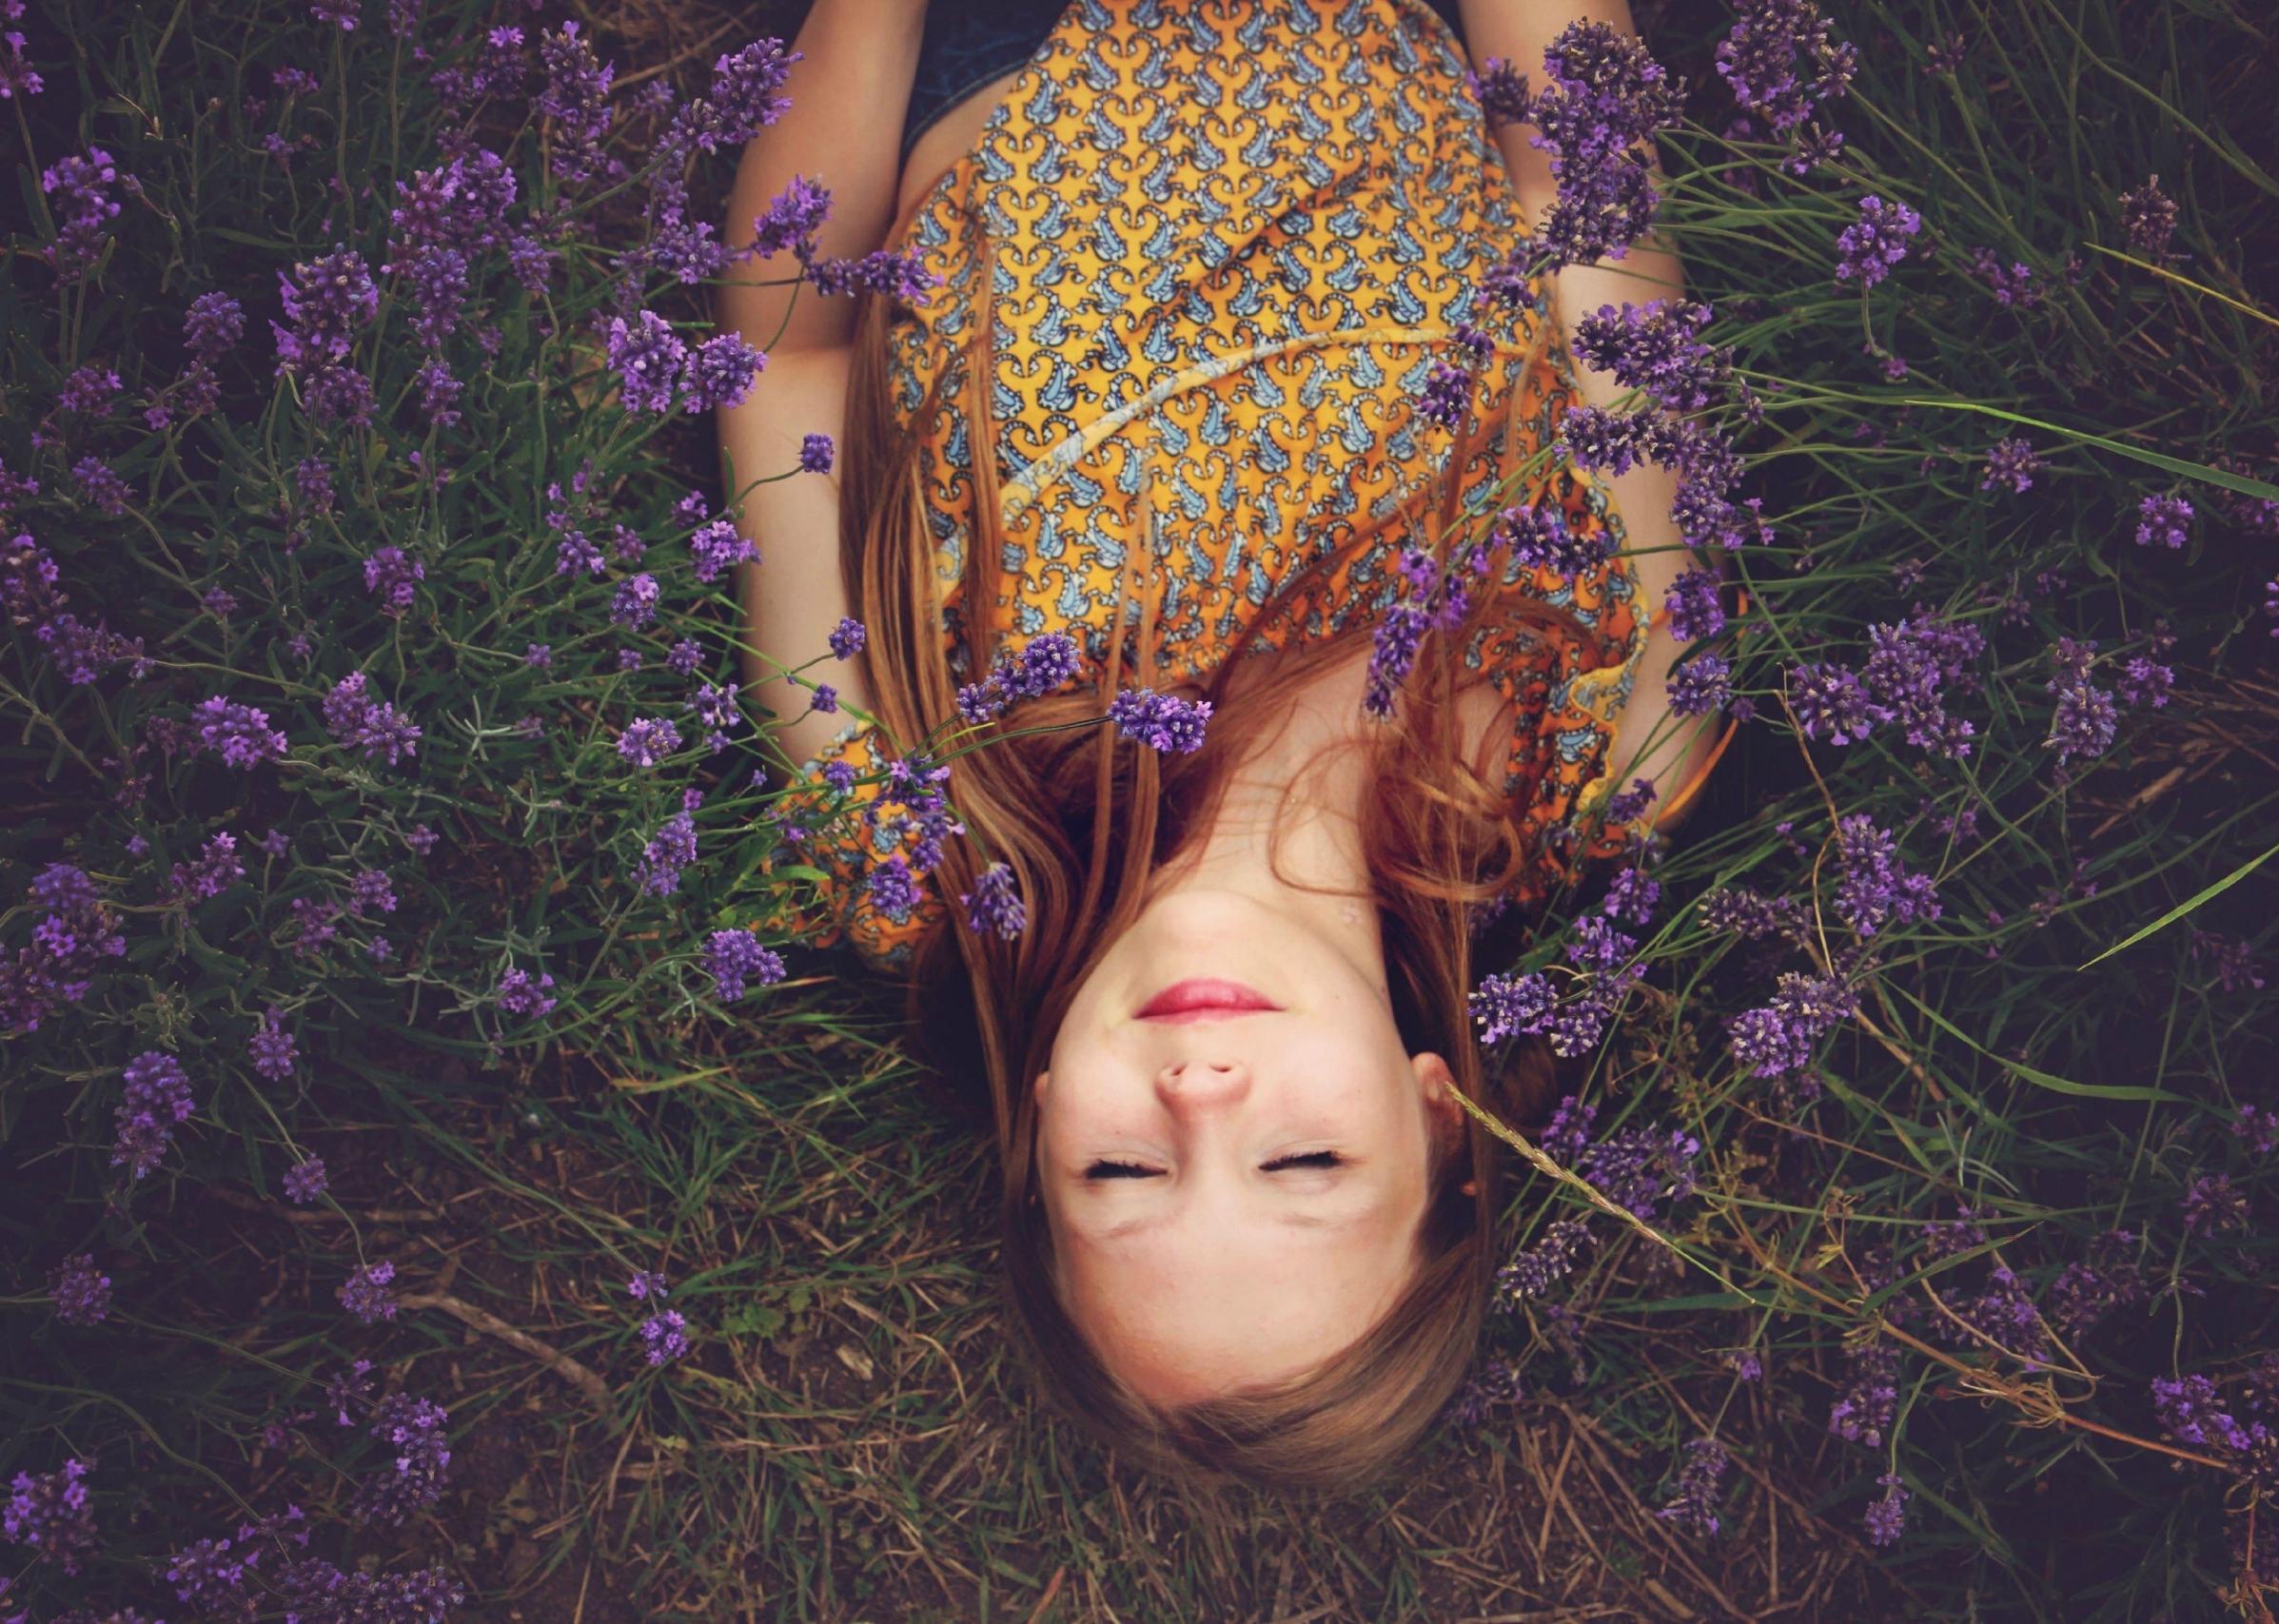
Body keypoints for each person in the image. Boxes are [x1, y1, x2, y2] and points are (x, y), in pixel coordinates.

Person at [714, 0, 1730, 1496]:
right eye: (1302, 1167)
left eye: (1122, 1176)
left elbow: (785, 364)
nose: (1200, 1099)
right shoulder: (1612, 747)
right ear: (1439, 1119)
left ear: (1043, 1128)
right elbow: (1586, 212)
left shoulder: (909, 845)